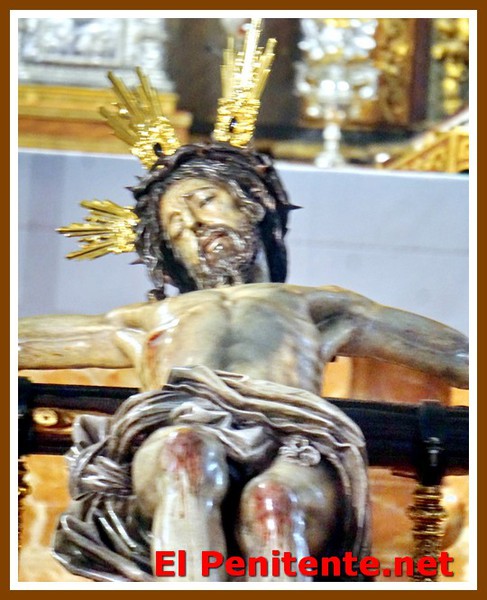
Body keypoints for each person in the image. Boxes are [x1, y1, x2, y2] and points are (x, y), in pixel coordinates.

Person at [19, 142, 469, 583]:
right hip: (180, 427)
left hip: (294, 437)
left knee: (275, 500)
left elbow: (453, 353)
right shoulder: (151, 318)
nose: (194, 224)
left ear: (251, 204)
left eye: (205, 201)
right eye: (176, 226)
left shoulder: (314, 304)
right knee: (186, 451)